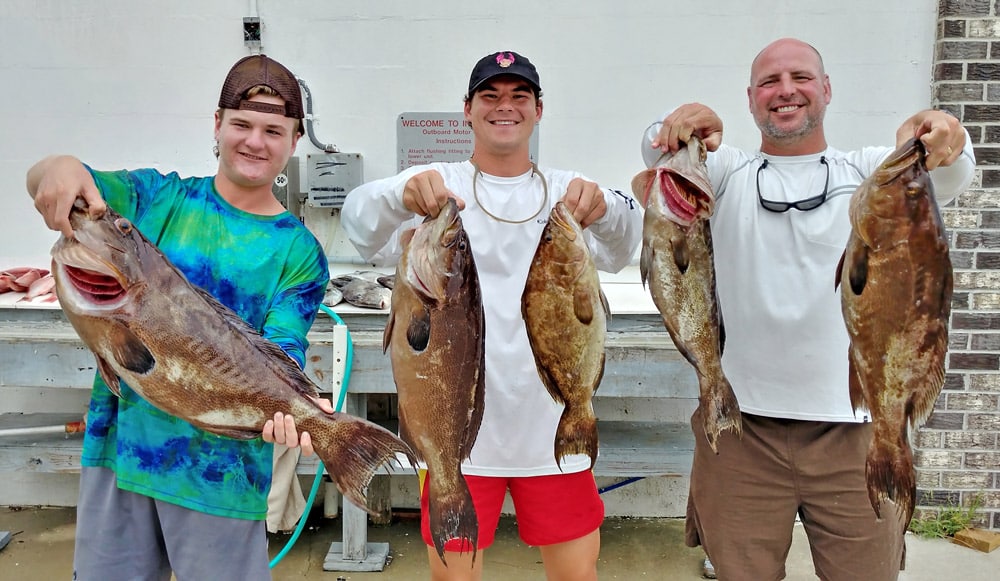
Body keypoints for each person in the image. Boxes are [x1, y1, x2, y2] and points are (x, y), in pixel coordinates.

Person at [641, 38, 976, 581]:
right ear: (751, 100)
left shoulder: (871, 171)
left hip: (856, 432)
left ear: (826, 90)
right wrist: (680, 121)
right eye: (770, 82)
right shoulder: (725, 175)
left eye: (800, 77)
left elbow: (956, 169)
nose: (786, 91)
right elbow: (656, 151)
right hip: (740, 430)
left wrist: (943, 127)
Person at [26, 54, 332, 580]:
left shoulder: (299, 252)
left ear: (294, 140)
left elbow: (281, 350)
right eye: (241, 124)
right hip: (120, 460)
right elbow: (57, 184)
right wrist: (56, 168)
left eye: (272, 130)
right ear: (217, 125)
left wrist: (296, 405)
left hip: (220, 477)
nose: (255, 141)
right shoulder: (156, 197)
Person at [341, 50, 643, 580]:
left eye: (519, 96)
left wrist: (609, 206)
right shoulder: (436, 186)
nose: (505, 107)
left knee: (577, 573)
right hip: (456, 433)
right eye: (491, 96)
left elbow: (626, 242)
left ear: (539, 110)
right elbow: (360, 223)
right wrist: (398, 192)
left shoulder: (565, 190)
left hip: (553, 431)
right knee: (453, 575)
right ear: (468, 110)